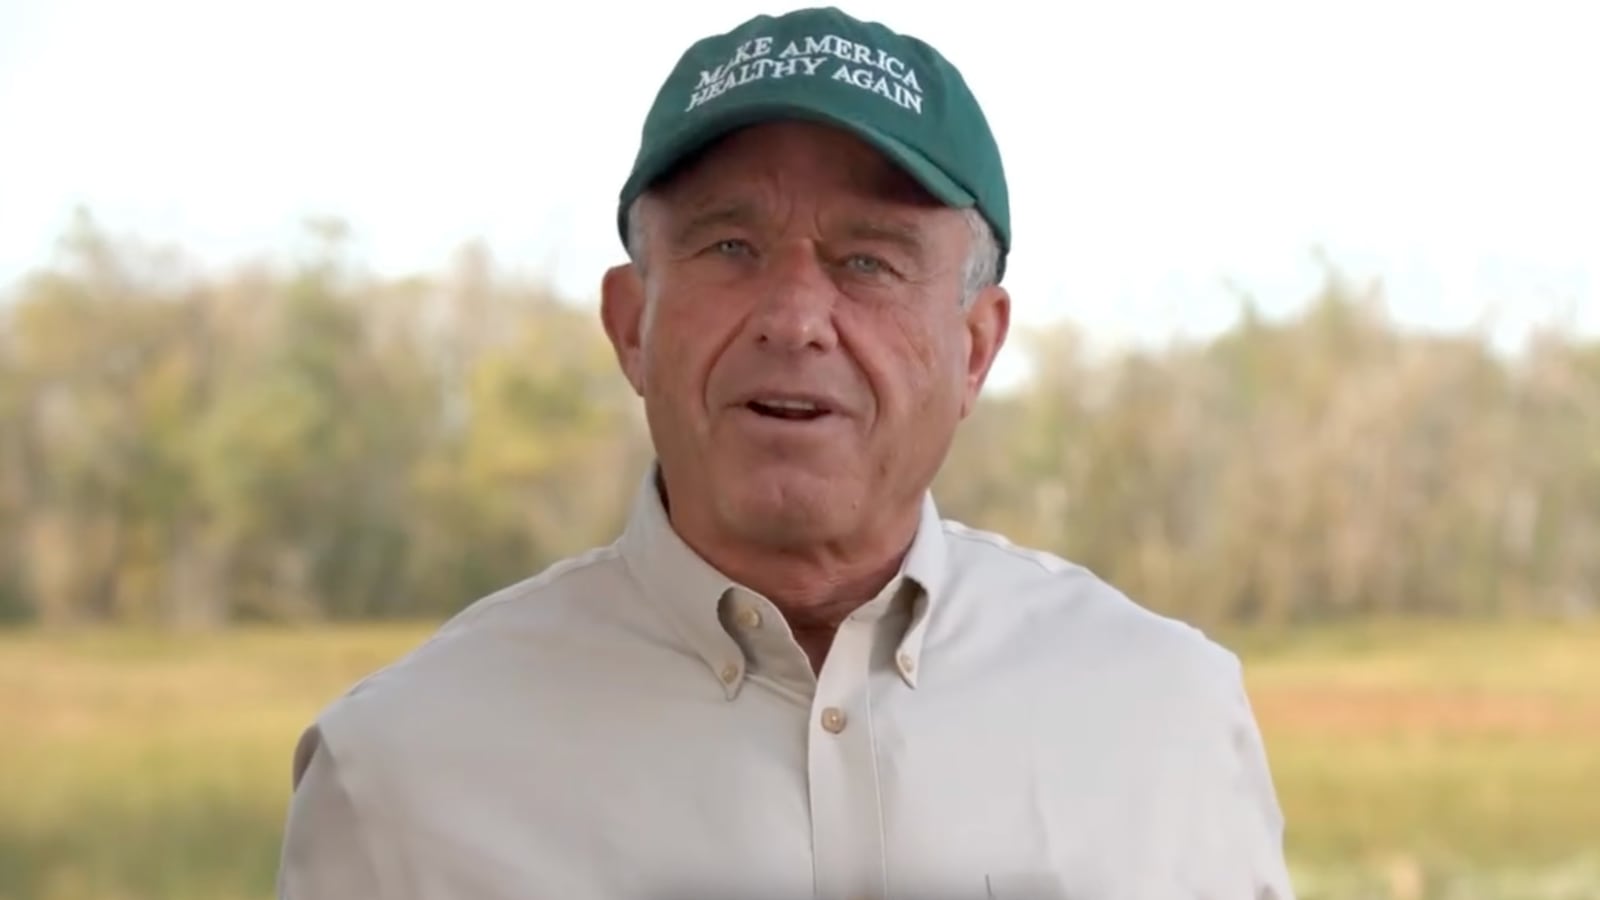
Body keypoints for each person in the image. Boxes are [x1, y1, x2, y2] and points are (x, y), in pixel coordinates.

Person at [275, 6, 1296, 899]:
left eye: (869, 261)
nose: (797, 318)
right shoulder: (404, 770)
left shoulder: (1165, 722)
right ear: (631, 326)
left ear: (977, 348)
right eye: (731, 248)